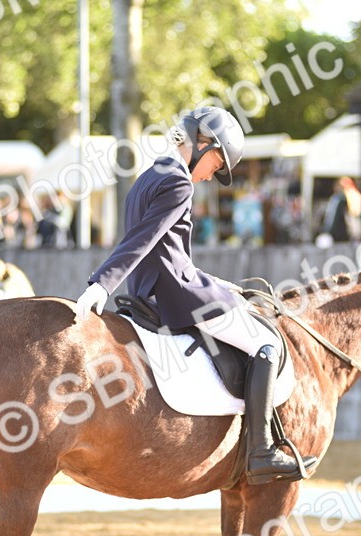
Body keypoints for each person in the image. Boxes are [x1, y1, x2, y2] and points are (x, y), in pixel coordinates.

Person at [74, 106, 317, 484]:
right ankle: (261, 451)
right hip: (180, 298)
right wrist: (102, 283)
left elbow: (168, 253)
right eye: (217, 163)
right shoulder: (178, 182)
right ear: (203, 143)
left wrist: (221, 285)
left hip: (157, 290)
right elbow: (141, 241)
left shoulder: (148, 175)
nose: (210, 176)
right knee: (265, 346)